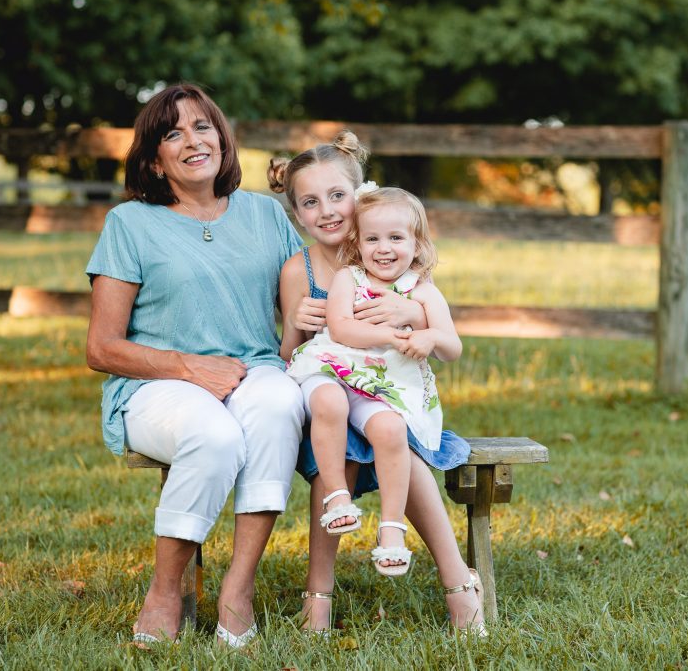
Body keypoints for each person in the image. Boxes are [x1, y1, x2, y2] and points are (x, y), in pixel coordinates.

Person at [84, 83, 305, 648]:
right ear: (155, 162)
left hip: (252, 372)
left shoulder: (265, 215)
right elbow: (102, 348)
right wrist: (189, 367)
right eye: (172, 133)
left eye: (202, 126)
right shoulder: (129, 224)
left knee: (280, 401)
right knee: (213, 433)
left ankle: (238, 589)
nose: (191, 141)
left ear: (223, 140)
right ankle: (165, 590)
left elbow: (300, 312)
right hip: (155, 384)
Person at [269, 135, 485, 635]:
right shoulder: (297, 271)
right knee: (340, 442)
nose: (328, 211)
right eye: (310, 202)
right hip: (326, 402)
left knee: (395, 443)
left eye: (338, 196)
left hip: (388, 395)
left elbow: (439, 329)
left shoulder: (394, 264)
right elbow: (288, 357)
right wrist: (298, 323)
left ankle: (456, 581)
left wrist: (413, 314)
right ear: (298, 213)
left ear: (360, 195)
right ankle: (318, 595)